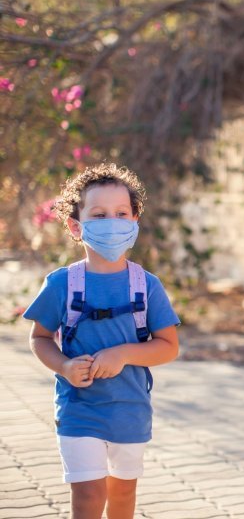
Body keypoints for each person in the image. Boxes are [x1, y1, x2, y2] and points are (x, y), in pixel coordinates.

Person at [24, 163, 180, 519]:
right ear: (76, 227)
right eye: (99, 214)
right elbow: (40, 337)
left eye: (121, 213)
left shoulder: (147, 286)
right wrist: (63, 365)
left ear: (135, 220)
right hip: (79, 410)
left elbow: (168, 346)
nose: (112, 221)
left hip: (130, 410)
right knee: (89, 497)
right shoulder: (61, 284)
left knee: (122, 498)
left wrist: (123, 354)